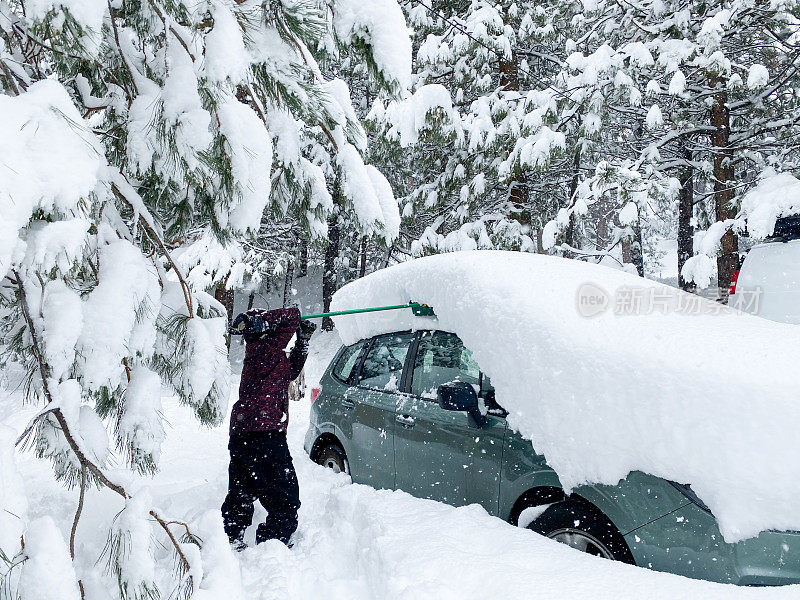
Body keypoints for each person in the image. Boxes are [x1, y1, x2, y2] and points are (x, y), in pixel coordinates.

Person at [221, 307, 315, 550]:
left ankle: (231, 537)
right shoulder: (266, 346)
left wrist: (302, 343)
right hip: (264, 432)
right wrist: (263, 321)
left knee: (242, 488)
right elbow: (293, 315)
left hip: (244, 431)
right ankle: (273, 544)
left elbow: (290, 372)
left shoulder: (265, 353)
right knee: (285, 495)